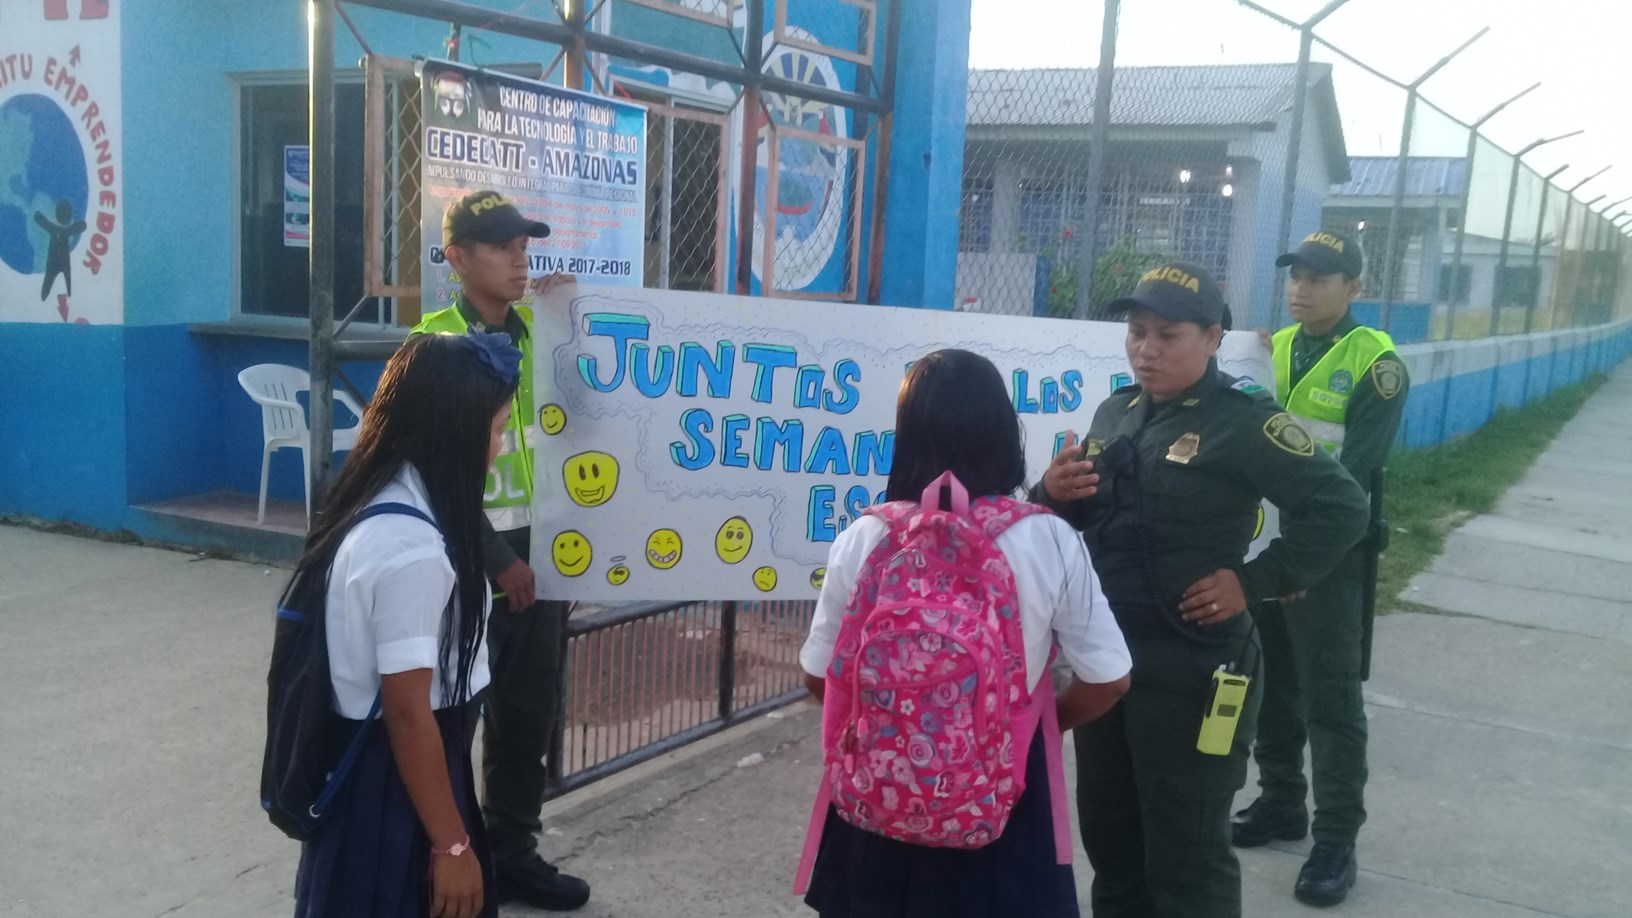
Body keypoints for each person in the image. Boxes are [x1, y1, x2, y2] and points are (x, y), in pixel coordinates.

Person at [1035, 261, 1370, 918]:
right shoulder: (1116, 411)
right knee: (1113, 840)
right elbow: (1079, 522)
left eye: (1168, 334)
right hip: (1109, 665)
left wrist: (1255, 580)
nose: (1146, 349)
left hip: (1196, 667)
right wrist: (1051, 494)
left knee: (1187, 853)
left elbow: (1342, 506)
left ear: (1213, 338)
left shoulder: (1243, 421)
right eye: (1136, 332)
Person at [797, 348, 1134, 918]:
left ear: (907, 435)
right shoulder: (1047, 539)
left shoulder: (865, 536)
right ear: (1004, 432)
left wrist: (890, 724)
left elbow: (818, 675)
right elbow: (1110, 680)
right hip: (1001, 803)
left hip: (878, 799)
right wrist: (1019, 727)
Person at [293, 331, 522, 918]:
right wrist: (451, 844)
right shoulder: (412, 548)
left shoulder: (376, 501)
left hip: (382, 779)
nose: (498, 447)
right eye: (496, 430)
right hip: (396, 789)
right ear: (456, 430)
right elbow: (406, 709)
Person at [410, 190, 590, 911]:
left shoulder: (540, 332)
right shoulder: (436, 345)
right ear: (457, 259)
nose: (520, 258)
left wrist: (570, 322)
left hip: (541, 546)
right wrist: (495, 559)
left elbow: (587, 418)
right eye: (501, 246)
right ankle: (442, 862)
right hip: (466, 555)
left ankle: (511, 852)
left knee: (528, 712)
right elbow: (431, 467)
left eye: (525, 244)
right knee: (454, 713)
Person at [1232, 230, 1409, 906]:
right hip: (1263, 549)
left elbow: (1350, 476)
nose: (1302, 288)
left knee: (1331, 699)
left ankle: (1336, 838)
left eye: (1321, 277)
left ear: (1355, 287)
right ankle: (1281, 800)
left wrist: (1307, 560)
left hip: (1327, 557)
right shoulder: (1269, 349)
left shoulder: (1377, 365)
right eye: (1296, 275)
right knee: (1271, 682)